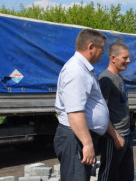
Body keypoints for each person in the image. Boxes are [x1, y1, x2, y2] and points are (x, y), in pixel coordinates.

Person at [54, 28, 109, 181]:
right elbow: (75, 112)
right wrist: (87, 143)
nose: (103, 52)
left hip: (78, 137)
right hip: (75, 139)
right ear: (90, 47)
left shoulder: (84, 69)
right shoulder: (76, 71)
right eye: (101, 48)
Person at [98, 42, 134, 181]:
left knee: (126, 175)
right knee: (109, 176)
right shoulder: (105, 80)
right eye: (125, 58)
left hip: (126, 135)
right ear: (113, 58)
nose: (128, 61)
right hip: (114, 138)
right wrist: (115, 136)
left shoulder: (119, 77)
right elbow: (102, 113)